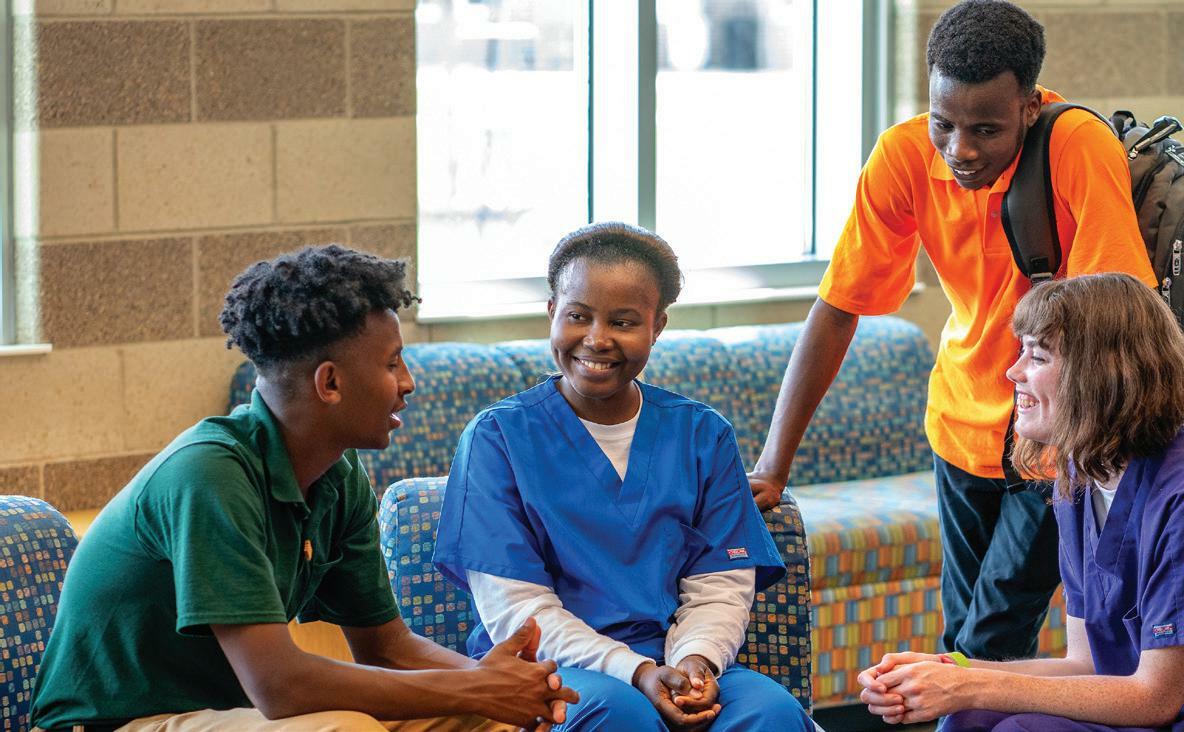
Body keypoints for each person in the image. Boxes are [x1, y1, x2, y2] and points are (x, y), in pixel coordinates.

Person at [746, 0, 1157, 661]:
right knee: (960, 637)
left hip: (1054, 436)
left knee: (987, 642)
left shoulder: (1077, 146)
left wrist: (1087, 450)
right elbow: (838, 307)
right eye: (945, 123)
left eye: (986, 130)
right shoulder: (904, 155)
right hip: (959, 428)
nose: (960, 149)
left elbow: (1120, 314)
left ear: (1030, 106)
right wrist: (773, 464)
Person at [30, 245, 578, 732]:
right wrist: (475, 687)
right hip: (122, 721)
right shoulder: (210, 475)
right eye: (392, 363)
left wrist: (501, 687)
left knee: (492, 717)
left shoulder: (337, 475)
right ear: (330, 382)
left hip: (235, 713)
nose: (408, 382)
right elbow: (279, 685)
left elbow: (387, 648)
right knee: (345, 728)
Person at [433, 223, 813, 731]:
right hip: (549, 666)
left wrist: (695, 663)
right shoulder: (497, 437)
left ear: (658, 326)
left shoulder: (703, 434)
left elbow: (720, 582)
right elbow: (517, 610)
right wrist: (635, 672)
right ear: (552, 312)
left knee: (770, 712)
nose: (596, 339)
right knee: (617, 713)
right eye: (578, 316)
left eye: (624, 321)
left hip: (673, 655)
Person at [857, 273, 1184, 730]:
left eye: (1039, 356)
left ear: (1104, 375)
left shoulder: (1176, 498)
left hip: (1159, 710)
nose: (1013, 372)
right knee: (967, 714)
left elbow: (1158, 698)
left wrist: (971, 684)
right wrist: (950, 670)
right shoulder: (1078, 477)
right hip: (1132, 704)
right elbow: (1085, 664)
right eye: (1022, 351)